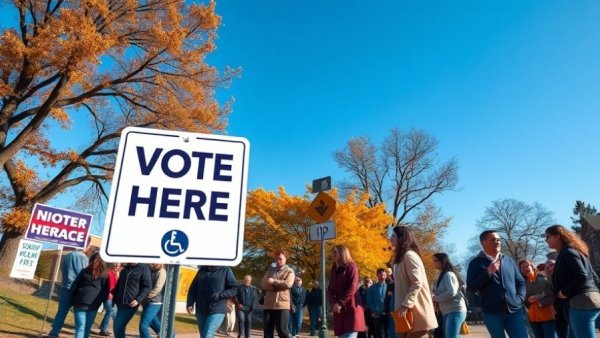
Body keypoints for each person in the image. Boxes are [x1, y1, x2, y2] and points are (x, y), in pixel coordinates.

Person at [466, 230, 527, 338]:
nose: (497, 242)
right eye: (493, 239)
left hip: (514, 311)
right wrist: (488, 272)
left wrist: (520, 298)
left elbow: (521, 282)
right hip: (491, 313)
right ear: (483, 242)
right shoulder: (476, 263)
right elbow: (471, 286)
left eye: (499, 240)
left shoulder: (508, 261)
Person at [545, 224, 600, 338]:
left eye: (547, 237)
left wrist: (564, 292)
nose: (546, 240)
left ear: (557, 236)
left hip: (581, 303)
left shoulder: (568, 252)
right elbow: (595, 278)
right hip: (592, 300)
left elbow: (581, 276)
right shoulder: (577, 252)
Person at [390, 225, 437, 338]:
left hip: (415, 313)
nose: (390, 238)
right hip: (404, 314)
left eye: (393, 235)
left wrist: (405, 305)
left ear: (402, 238)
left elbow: (417, 283)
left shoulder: (409, 256)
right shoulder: (400, 258)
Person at [48, 245, 96, 338]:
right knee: (80, 314)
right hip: (76, 289)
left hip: (65, 285)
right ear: (86, 245)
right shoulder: (83, 258)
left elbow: (62, 269)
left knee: (61, 312)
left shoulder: (67, 255)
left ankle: (54, 332)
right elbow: (83, 274)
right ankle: (80, 334)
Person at [187, 265, 238, 338]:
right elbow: (193, 288)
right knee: (204, 335)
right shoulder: (202, 270)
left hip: (217, 309)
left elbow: (234, 289)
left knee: (207, 334)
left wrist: (220, 295)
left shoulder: (225, 270)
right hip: (201, 309)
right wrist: (190, 303)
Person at [327, 244, 366, 338]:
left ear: (342, 253)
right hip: (339, 313)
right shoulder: (334, 269)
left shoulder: (352, 267)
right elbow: (329, 290)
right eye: (332, 252)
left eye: (335, 252)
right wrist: (333, 304)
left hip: (350, 309)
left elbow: (353, 287)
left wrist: (340, 303)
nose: (333, 254)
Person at [70, 252, 110, 338]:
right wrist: (103, 303)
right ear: (103, 262)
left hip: (80, 301)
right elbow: (105, 292)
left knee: (80, 328)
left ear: (90, 260)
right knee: (87, 328)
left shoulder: (84, 271)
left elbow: (74, 286)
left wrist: (72, 300)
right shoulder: (105, 275)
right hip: (94, 304)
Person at [518, 259, 557, 338]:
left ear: (532, 266)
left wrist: (540, 301)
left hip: (547, 315)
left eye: (527, 266)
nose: (526, 268)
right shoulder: (521, 283)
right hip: (533, 317)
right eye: (523, 267)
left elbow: (552, 295)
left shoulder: (543, 279)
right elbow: (522, 299)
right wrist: (528, 300)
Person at [261, 249, 295, 338]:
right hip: (268, 304)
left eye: (280, 258)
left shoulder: (290, 271)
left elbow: (288, 284)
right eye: (276, 259)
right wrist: (276, 286)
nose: (278, 261)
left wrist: (273, 282)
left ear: (285, 259)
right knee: (267, 331)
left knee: (282, 330)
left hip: (282, 304)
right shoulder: (270, 270)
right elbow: (263, 284)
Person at [431, 252, 467, 338]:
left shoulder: (448, 274)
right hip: (447, 311)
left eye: (435, 260)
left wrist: (435, 298)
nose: (433, 263)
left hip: (455, 310)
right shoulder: (441, 275)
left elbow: (451, 292)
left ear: (442, 261)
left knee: (451, 336)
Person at [112, 263, 152, 338]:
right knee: (119, 326)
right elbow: (118, 285)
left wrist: (138, 300)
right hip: (119, 303)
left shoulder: (143, 268)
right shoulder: (125, 270)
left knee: (118, 325)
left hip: (130, 303)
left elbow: (147, 286)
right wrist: (114, 299)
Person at [140, 263, 166, 338]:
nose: (151, 263)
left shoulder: (161, 271)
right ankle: (169, 335)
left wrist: (145, 297)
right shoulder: (151, 270)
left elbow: (158, 288)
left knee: (143, 326)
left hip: (154, 302)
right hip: (147, 301)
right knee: (152, 323)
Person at [546, 259, 569, 338]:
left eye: (552, 265)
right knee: (562, 333)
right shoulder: (548, 280)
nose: (549, 268)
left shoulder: (565, 275)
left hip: (569, 306)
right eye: (547, 267)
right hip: (557, 310)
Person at [366, 268, 390, 338]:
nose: (382, 274)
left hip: (388, 313)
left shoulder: (389, 286)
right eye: (380, 273)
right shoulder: (372, 288)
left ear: (386, 275)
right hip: (377, 314)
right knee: (379, 334)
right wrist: (375, 310)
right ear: (377, 275)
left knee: (388, 333)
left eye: (384, 273)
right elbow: (369, 301)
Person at [99, 263, 121, 336]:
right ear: (112, 266)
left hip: (113, 296)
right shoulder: (109, 273)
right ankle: (104, 330)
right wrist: (109, 294)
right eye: (115, 266)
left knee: (112, 312)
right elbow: (111, 286)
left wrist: (117, 277)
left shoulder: (116, 274)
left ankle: (103, 327)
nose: (117, 268)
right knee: (110, 311)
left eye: (118, 266)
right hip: (108, 296)